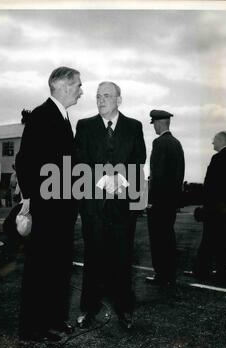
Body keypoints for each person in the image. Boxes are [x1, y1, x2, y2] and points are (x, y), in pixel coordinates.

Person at [15, 66, 83, 342]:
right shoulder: (42, 116)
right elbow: (24, 161)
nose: (81, 90)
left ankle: (54, 319)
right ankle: (33, 328)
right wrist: (33, 200)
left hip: (61, 208)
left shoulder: (62, 116)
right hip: (48, 208)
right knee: (42, 269)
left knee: (58, 267)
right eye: (78, 85)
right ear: (64, 86)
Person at [75, 81, 146, 329]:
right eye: (97, 96)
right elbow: (80, 160)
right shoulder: (84, 126)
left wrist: (121, 178)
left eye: (106, 95)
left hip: (122, 208)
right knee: (93, 258)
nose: (100, 100)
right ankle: (88, 308)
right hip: (93, 207)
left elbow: (139, 158)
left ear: (119, 99)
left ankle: (124, 309)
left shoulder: (134, 127)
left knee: (122, 258)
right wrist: (105, 178)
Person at [146, 110, 185, 288]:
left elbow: (157, 174)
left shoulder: (159, 143)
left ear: (160, 123)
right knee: (168, 237)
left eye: (154, 123)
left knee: (158, 239)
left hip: (159, 202)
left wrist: (151, 199)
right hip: (171, 201)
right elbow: (179, 175)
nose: (153, 126)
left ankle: (161, 274)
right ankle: (169, 275)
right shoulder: (177, 143)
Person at [193, 131, 226, 285]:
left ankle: (202, 270)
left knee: (208, 240)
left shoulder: (217, 159)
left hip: (215, 208)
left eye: (214, 141)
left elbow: (211, 186)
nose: (212, 143)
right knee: (224, 241)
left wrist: (206, 206)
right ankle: (223, 271)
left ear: (220, 140)